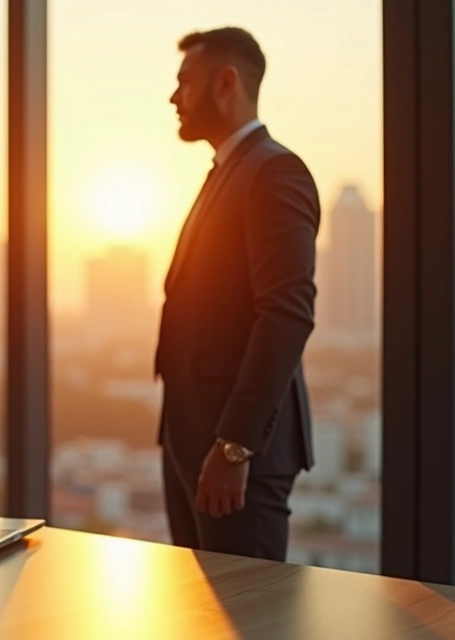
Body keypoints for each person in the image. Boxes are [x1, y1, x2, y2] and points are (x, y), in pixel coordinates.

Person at [154, 26, 319, 561]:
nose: (173, 96)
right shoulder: (229, 171)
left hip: (237, 453)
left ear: (226, 83)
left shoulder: (273, 172)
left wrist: (233, 445)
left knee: (248, 619)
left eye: (185, 81)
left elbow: (286, 315)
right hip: (193, 441)